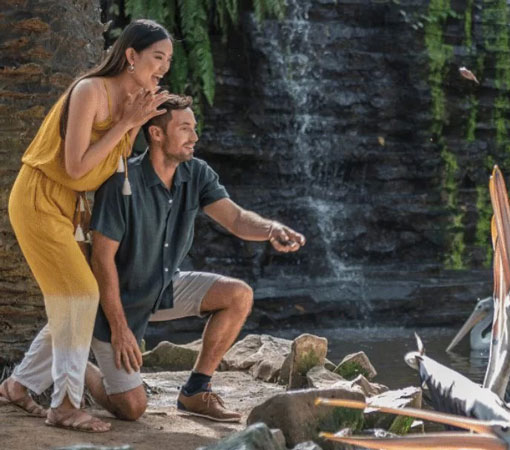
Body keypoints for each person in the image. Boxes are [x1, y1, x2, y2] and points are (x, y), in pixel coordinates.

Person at [84, 93, 306, 423]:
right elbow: (101, 260)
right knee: (132, 408)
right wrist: (119, 328)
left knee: (238, 295)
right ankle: (77, 370)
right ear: (157, 134)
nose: (195, 136)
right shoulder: (122, 182)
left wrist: (271, 228)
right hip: (118, 302)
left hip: (162, 288)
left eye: (195, 127)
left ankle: (195, 391)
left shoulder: (197, 173)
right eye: (185, 128)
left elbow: (237, 219)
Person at [0, 19, 173, 432]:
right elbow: (77, 164)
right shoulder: (90, 91)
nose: (163, 67)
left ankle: (20, 385)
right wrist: (124, 124)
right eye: (157, 57)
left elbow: (119, 171)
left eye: (168, 59)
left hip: (70, 210)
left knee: (75, 297)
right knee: (80, 292)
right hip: (38, 201)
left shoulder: (136, 99)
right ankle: (63, 404)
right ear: (131, 55)